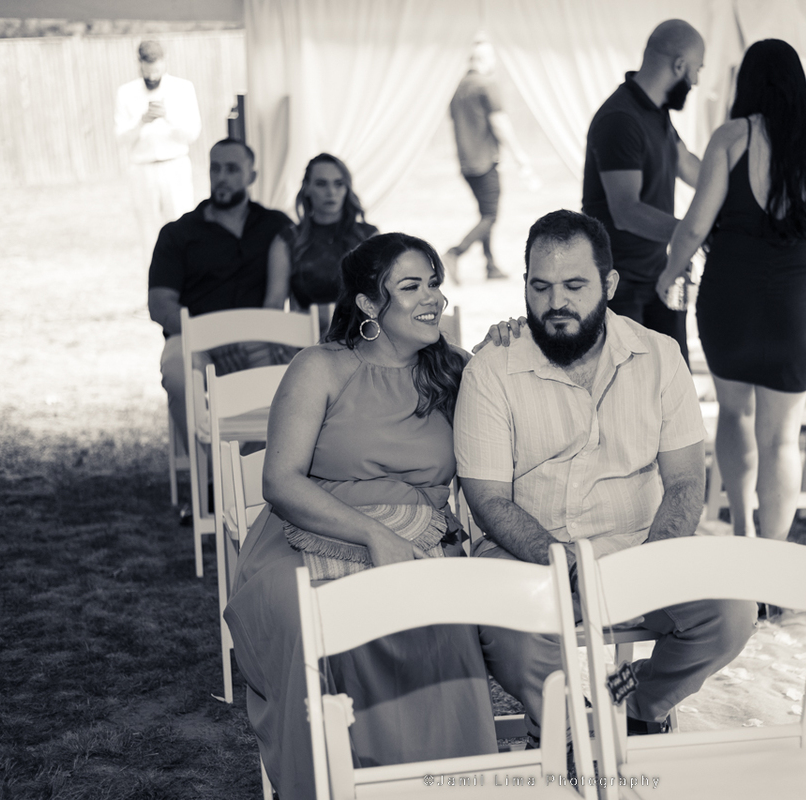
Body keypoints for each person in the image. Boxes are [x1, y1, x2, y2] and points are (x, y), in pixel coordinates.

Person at [455, 209, 755, 743]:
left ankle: (635, 703)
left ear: (609, 284)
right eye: (540, 287)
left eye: (574, 286)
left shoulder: (660, 356)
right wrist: (565, 564)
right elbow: (489, 500)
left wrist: (654, 562)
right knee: (510, 637)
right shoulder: (492, 369)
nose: (556, 303)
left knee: (731, 612)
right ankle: (569, 730)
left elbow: (687, 480)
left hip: (638, 545)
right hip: (526, 554)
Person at [224, 233, 496, 800]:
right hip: (307, 534)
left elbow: (514, 416)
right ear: (369, 303)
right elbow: (280, 481)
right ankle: (325, 784)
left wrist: (508, 347)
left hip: (422, 536)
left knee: (442, 619)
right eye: (411, 286)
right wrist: (373, 535)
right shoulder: (320, 368)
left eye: (435, 283)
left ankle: (443, 786)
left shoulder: (454, 371)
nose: (433, 298)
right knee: (305, 616)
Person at [656, 39, 806, 540]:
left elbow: (696, 226)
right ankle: (772, 553)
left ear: (747, 84)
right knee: (782, 438)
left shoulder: (732, 137)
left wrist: (668, 272)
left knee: (734, 412)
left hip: (731, 300)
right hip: (798, 305)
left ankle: (742, 528)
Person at [148, 138, 293, 459]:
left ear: (252, 176)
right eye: (216, 169)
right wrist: (212, 338)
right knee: (176, 370)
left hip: (260, 339)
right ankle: (211, 475)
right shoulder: (178, 234)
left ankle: (261, 470)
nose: (222, 177)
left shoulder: (276, 226)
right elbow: (160, 305)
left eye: (232, 169)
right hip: (195, 341)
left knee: (301, 376)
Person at [582, 19, 704, 364]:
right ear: (679, 66)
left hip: (658, 274)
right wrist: (696, 232)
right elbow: (627, 211)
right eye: (697, 70)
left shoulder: (656, 112)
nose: (696, 81)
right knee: (629, 385)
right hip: (620, 283)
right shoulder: (620, 118)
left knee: (674, 378)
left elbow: (689, 165)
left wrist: (739, 185)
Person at [444, 37, 535, 283]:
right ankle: (455, 253)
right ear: (484, 59)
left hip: (466, 162)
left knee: (484, 214)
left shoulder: (457, 87)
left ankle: (490, 265)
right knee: (490, 216)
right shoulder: (486, 85)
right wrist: (519, 156)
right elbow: (499, 123)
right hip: (484, 161)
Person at [263, 153, 378, 334]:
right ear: (307, 188)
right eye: (321, 184)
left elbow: (382, 298)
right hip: (306, 338)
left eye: (338, 184)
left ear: (347, 188)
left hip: (362, 335)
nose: (331, 192)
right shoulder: (287, 240)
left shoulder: (368, 237)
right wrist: (275, 339)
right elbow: (274, 305)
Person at [115, 40, 201, 250]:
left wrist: (167, 116)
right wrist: (142, 121)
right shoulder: (126, 92)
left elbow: (192, 134)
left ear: (164, 62)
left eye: (156, 71)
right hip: (142, 170)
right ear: (139, 64)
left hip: (175, 165)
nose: (152, 77)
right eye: (148, 71)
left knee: (183, 227)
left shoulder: (183, 88)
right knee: (148, 234)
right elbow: (121, 139)